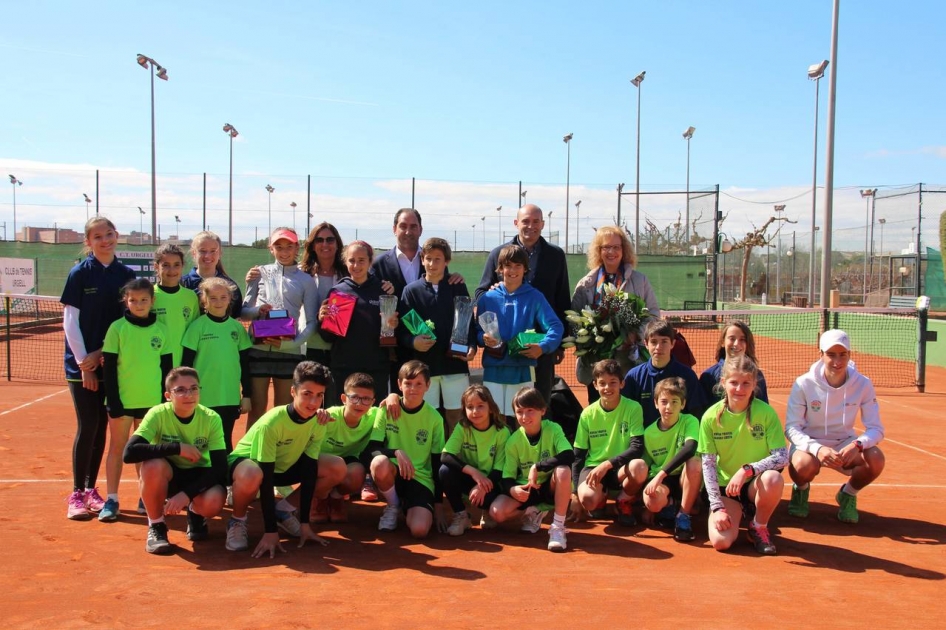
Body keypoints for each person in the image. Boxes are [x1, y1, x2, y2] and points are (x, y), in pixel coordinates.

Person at [62, 217, 137, 520]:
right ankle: (77, 493)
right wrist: (85, 363)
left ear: (117, 236)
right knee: (89, 425)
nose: (105, 240)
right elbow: (70, 321)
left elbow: (126, 322)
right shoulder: (79, 274)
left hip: (110, 363)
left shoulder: (126, 274)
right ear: (88, 242)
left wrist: (101, 355)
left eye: (109, 234)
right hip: (81, 367)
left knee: (104, 428)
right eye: (98, 237)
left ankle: (92, 490)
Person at [225, 361, 337, 558]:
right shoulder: (273, 422)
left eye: (319, 395)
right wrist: (270, 532)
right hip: (249, 465)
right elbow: (265, 479)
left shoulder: (318, 420)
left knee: (335, 467)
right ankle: (237, 519)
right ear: (293, 392)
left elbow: (310, 471)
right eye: (307, 394)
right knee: (253, 474)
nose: (313, 403)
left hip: (282, 467)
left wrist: (304, 524)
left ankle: (284, 511)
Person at [122, 367, 227, 554]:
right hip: (168, 475)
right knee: (151, 465)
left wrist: (187, 495)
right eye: (180, 390)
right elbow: (129, 453)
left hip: (198, 476)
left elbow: (220, 467)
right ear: (168, 395)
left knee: (214, 501)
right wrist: (178, 448)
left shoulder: (212, 419)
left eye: (194, 388)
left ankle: (195, 513)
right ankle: (156, 527)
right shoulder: (157, 414)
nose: (189, 394)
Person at [785, 329, 885, 524]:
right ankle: (801, 490)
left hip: (845, 444)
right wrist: (818, 448)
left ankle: (848, 494)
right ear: (820, 354)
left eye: (843, 355)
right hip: (810, 444)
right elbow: (792, 428)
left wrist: (858, 444)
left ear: (850, 355)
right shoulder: (803, 383)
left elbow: (876, 428)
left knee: (876, 458)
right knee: (803, 465)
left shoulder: (863, 384)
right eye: (831, 355)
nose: (837, 361)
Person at [476, 204, 569, 407]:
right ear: (516, 223)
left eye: (536, 221)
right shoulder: (497, 253)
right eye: (525, 221)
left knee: (538, 404)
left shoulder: (555, 255)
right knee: (497, 412)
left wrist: (555, 344)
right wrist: (496, 292)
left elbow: (562, 298)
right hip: (500, 355)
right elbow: (481, 295)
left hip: (537, 350)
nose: (531, 226)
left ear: (543, 224)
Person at [100, 277, 173, 522]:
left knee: (143, 453)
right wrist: (113, 400)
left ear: (152, 301)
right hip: (123, 402)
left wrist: (165, 402)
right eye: (133, 300)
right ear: (126, 301)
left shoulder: (162, 329)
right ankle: (112, 499)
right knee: (118, 448)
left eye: (144, 300)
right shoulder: (117, 328)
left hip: (151, 404)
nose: (139, 304)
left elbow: (167, 369)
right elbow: (109, 368)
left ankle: (146, 496)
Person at [698, 356, 786, 555]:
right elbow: (709, 465)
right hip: (726, 489)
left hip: (755, 484)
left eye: (746, 383)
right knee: (722, 543)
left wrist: (748, 470)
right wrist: (717, 507)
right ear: (723, 383)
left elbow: (782, 457)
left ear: (755, 384)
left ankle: (758, 526)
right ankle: (732, 514)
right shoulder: (710, 417)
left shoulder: (766, 413)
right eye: (734, 383)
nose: (740, 389)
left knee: (773, 478)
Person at [476, 244, 564, 427]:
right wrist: (482, 339)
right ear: (500, 269)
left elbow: (555, 326)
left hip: (522, 369)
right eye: (508, 266)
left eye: (518, 266)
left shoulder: (535, 297)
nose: (513, 270)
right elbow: (476, 331)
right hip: (494, 370)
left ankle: (522, 455)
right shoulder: (487, 299)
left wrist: (543, 346)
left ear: (525, 269)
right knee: (494, 421)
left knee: (522, 421)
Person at [571, 226, 660, 402]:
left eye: (616, 247)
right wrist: (590, 341)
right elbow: (574, 321)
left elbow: (653, 316)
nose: (611, 252)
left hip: (629, 364)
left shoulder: (640, 280)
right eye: (606, 247)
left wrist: (635, 335)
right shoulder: (585, 284)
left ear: (623, 250)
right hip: (596, 365)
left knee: (630, 411)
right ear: (599, 251)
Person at [242, 227, 319, 428]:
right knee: (257, 411)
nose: (284, 252)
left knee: (283, 412)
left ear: (297, 248)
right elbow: (243, 312)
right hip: (258, 349)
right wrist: (259, 310)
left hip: (288, 352)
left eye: (289, 247)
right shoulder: (259, 273)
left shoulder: (306, 280)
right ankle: (249, 457)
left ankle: (280, 457)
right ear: (271, 248)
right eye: (278, 246)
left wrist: (289, 344)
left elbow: (312, 322)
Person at [398, 237, 476, 433]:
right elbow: (402, 330)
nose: (432, 264)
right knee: (427, 416)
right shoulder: (410, 291)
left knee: (456, 416)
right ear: (422, 259)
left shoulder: (457, 286)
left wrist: (472, 347)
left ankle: (454, 459)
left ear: (447, 262)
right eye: (429, 258)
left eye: (438, 259)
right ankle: (428, 459)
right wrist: (413, 342)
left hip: (455, 364)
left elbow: (468, 323)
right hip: (424, 368)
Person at [367, 360, 446, 538]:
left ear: (428, 385)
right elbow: (372, 450)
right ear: (399, 385)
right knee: (379, 462)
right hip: (392, 474)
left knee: (419, 530)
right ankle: (393, 505)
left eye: (418, 384)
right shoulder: (386, 409)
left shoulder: (435, 418)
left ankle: (409, 506)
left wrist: (439, 504)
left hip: (420, 478)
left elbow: (436, 461)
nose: (413, 389)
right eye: (408, 383)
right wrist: (395, 452)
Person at [490, 387, 574, 552]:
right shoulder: (513, 441)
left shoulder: (553, 428)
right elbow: (507, 477)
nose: (525, 416)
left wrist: (538, 466)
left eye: (530, 410)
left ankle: (557, 528)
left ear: (542, 410)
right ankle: (533, 511)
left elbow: (568, 454)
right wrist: (513, 489)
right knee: (497, 513)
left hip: (550, 487)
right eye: (519, 411)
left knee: (563, 470)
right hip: (527, 489)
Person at [319, 240, 398, 405]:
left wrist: (394, 325)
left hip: (376, 367)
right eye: (352, 260)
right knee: (341, 418)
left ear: (370, 262)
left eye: (361, 260)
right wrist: (323, 320)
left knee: (374, 417)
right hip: (343, 368)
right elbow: (328, 337)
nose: (356, 265)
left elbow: (394, 332)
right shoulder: (338, 291)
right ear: (345, 262)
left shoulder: (383, 290)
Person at [571, 359, 646, 527]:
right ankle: (600, 499)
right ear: (595, 385)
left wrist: (607, 464)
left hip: (620, 468)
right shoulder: (588, 414)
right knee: (587, 499)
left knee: (639, 466)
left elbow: (637, 448)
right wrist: (575, 494)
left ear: (622, 383)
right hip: (594, 468)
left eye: (613, 382)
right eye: (602, 383)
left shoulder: (633, 408)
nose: (607, 388)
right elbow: (578, 456)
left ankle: (623, 501)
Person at [181, 277, 252, 451]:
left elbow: (244, 365)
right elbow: (186, 366)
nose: (218, 302)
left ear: (230, 299)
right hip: (202, 398)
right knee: (200, 443)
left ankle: (224, 478)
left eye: (223, 297)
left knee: (225, 442)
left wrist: (247, 395)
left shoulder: (237, 328)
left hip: (229, 397)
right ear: (204, 301)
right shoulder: (197, 327)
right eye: (213, 298)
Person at [310, 372, 382, 524]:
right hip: (319, 464)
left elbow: (398, 404)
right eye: (354, 397)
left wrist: (393, 396)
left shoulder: (375, 416)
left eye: (366, 399)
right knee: (336, 467)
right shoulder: (327, 416)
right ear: (344, 399)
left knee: (357, 472)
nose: (360, 403)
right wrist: (312, 415)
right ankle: (319, 499)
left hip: (346, 463)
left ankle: (336, 498)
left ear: (373, 401)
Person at [439, 384, 509, 536]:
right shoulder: (463, 427)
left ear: (490, 407)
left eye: (480, 406)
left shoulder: (502, 432)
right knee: (445, 471)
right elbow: (445, 455)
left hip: (492, 482)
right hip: (472, 478)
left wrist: (482, 486)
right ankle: (461, 515)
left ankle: (487, 510)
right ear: (464, 409)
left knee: (492, 501)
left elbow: (499, 470)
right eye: (470, 407)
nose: (475, 411)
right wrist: (474, 473)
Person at [640, 377, 701, 542]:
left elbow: (690, 448)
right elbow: (646, 464)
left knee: (695, 462)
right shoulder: (649, 433)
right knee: (652, 501)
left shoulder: (690, 421)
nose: (669, 407)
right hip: (664, 482)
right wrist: (648, 507)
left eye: (675, 402)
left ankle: (683, 516)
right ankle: (669, 504)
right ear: (656, 403)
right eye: (664, 401)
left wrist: (661, 475)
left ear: (682, 404)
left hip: (685, 477)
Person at [621, 319, 706, 428]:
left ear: (672, 343)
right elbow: (627, 414)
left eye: (664, 341)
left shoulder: (687, 376)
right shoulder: (634, 377)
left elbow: (696, 414)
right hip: (645, 441)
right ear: (646, 344)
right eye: (654, 342)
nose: (658, 347)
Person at [299, 222, 347, 405]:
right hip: (309, 348)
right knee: (310, 404)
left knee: (335, 405)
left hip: (339, 349)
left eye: (330, 239)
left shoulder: (348, 274)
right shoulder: (300, 273)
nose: (325, 244)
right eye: (319, 240)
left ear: (337, 243)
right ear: (312, 244)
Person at [699, 321, 769, 406]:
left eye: (742, 340)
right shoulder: (708, 376)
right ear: (722, 342)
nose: (736, 344)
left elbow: (763, 409)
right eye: (732, 338)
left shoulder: (757, 375)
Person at [153, 243, 199, 367]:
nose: (172, 270)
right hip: (155, 365)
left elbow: (194, 333)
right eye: (166, 265)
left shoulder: (191, 297)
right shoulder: (149, 296)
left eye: (176, 265)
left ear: (182, 266)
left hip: (183, 365)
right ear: (156, 267)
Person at [182, 230, 244, 319]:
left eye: (213, 251)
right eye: (202, 251)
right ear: (194, 253)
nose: (207, 256)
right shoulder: (182, 283)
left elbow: (235, 318)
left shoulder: (230, 286)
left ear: (220, 254)